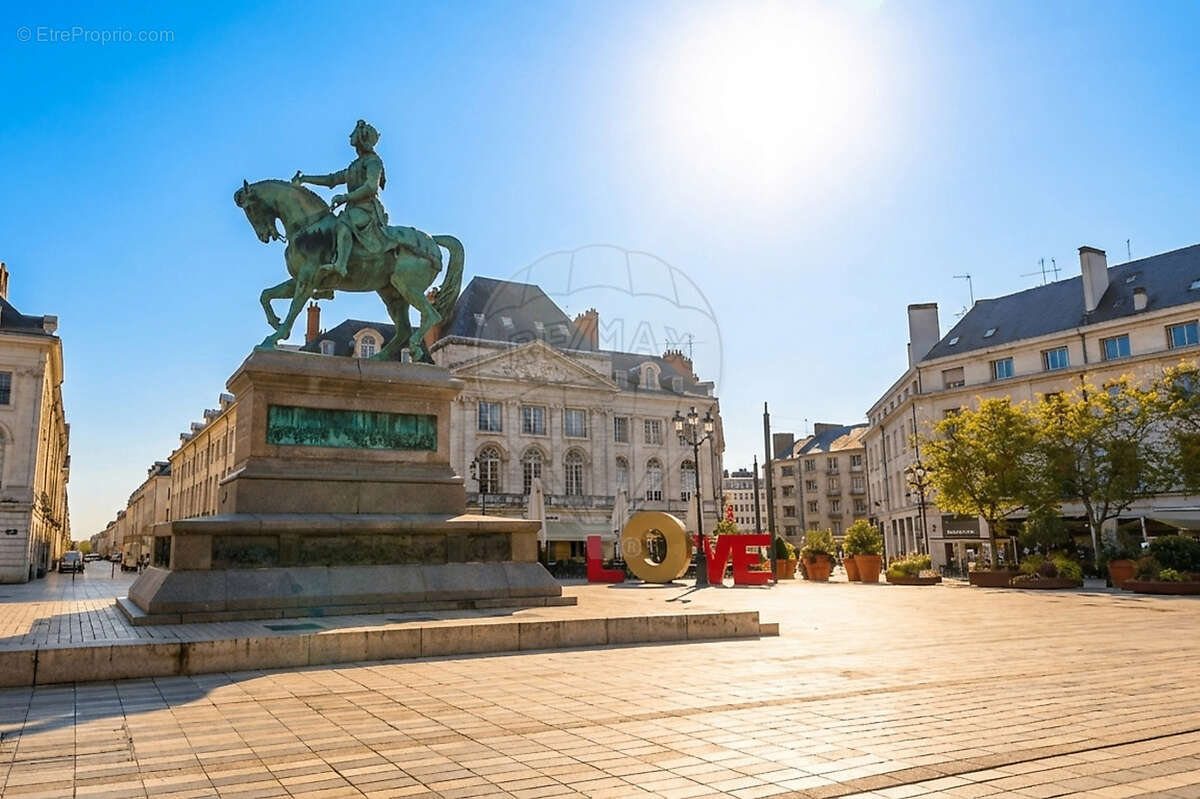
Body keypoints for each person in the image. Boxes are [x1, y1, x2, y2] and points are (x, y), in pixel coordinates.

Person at [291, 119, 398, 279]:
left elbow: (371, 187)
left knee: (342, 224)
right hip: (353, 209)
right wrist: (305, 179)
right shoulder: (354, 165)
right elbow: (332, 180)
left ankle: (340, 265)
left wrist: (345, 197)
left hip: (367, 209)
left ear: (362, 139)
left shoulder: (373, 161)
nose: (351, 138)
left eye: (355, 135)